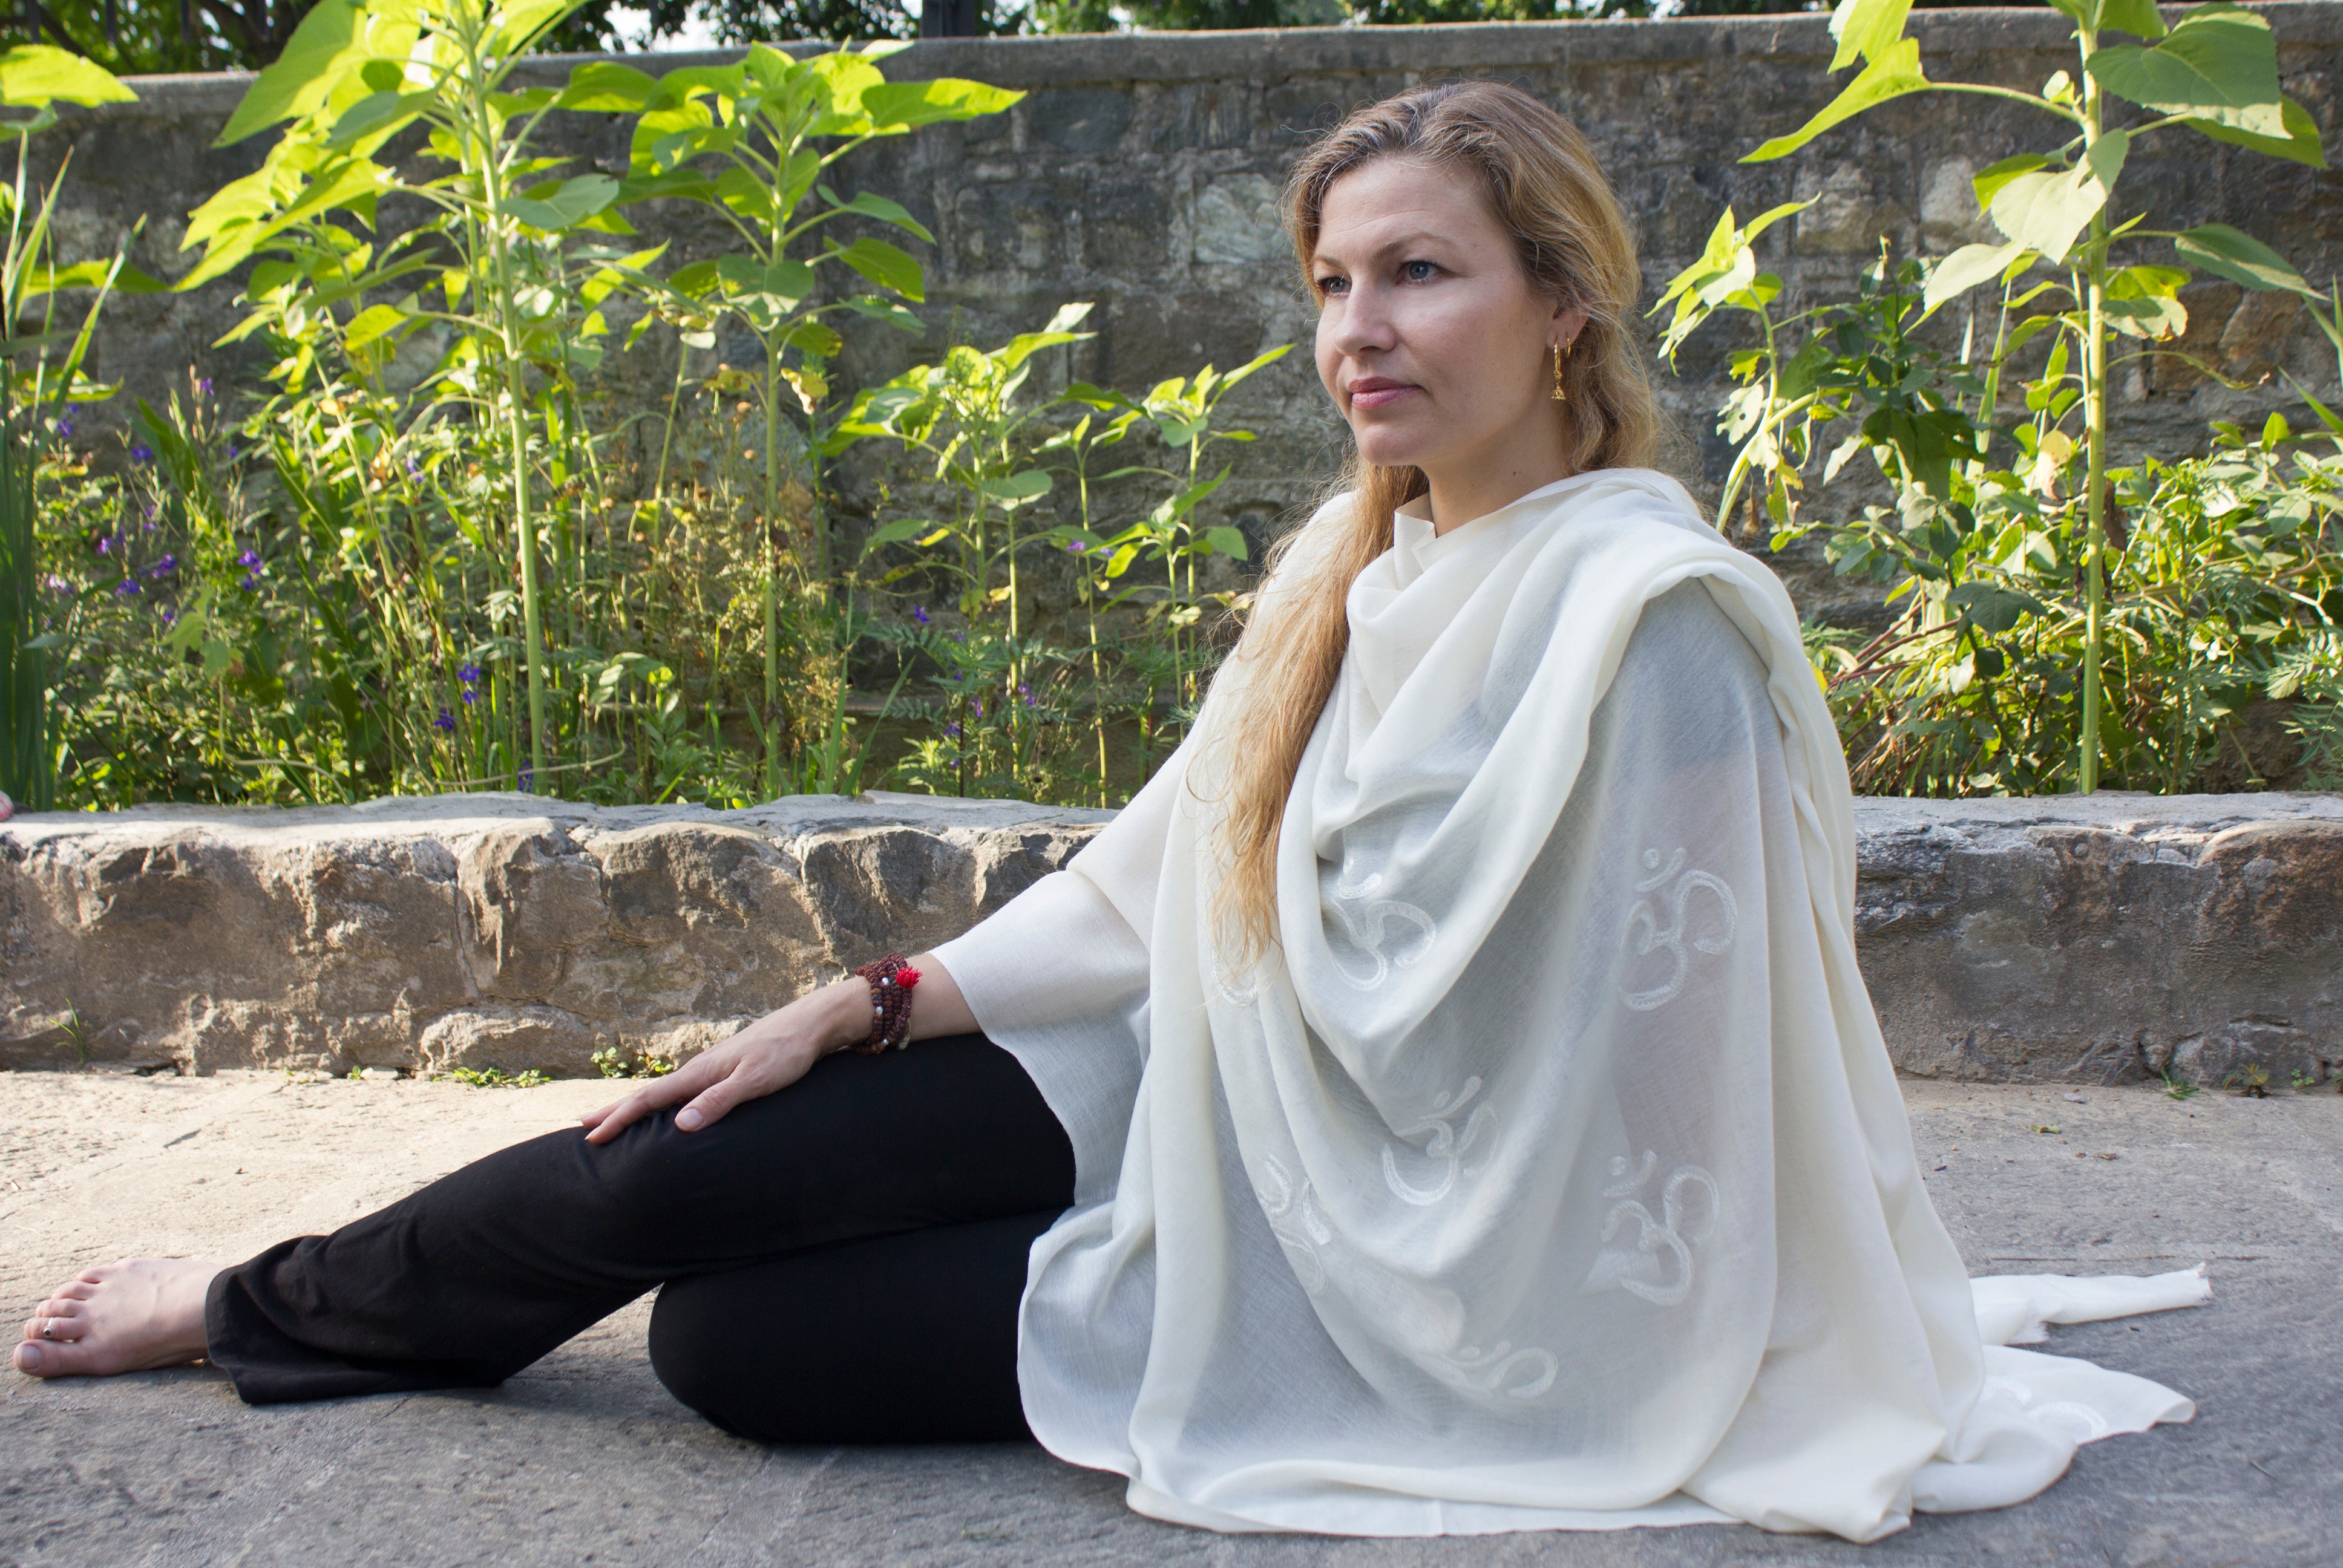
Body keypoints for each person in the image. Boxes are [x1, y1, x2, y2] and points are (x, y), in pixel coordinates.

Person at [14, 81, 2207, 1542]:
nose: (1362, 328)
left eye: (1422, 273)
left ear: (1562, 309)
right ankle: (258, 1298)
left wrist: (1395, 1285)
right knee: (684, 1146)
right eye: (1334, 282)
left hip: (1417, 1237)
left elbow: (1661, 1072)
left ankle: (313, 1300)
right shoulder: (1362, 568)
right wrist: (869, 1005)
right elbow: (1160, 882)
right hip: (1200, 1086)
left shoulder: (1661, 622)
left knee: (736, 1345)